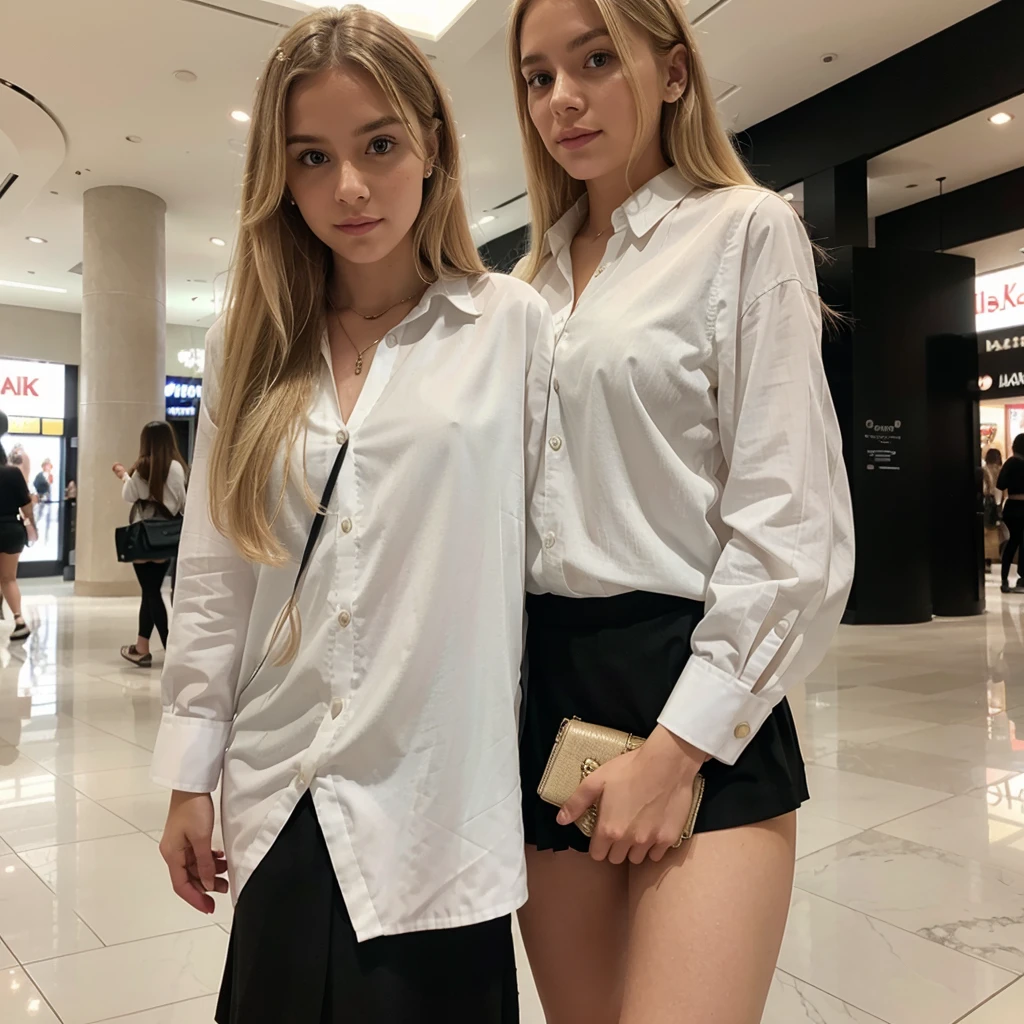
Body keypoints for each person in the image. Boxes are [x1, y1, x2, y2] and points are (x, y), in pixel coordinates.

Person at [150, 8, 550, 1023]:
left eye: (378, 145)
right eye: (313, 158)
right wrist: (189, 776)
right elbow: (213, 577)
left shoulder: (508, 325)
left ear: (431, 144)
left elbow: (549, 551)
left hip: (438, 801)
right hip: (282, 789)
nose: (351, 188)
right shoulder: (248, 342)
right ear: (280, 178)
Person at [507, 1, 855, 1022]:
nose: (562, 98)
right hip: (548, 688)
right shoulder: (523, 290)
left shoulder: (742, 229)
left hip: (694, 679)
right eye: (536, 77)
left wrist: (676, 749)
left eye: (594, 59)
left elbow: (790, 529)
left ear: (669, 72)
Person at [115, 420, 188, 666]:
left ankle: (169, 649)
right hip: (165, 538)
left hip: (142, 538)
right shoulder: (177, 468)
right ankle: (141, 648)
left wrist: (126, 476)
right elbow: (181, 504)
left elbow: (129, 496)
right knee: (151, 591)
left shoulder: (141, 468)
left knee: (150, 592)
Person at [0, 440, 37, 641]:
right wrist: (32, 526)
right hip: (11, 529)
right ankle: (19, 620)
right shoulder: (13, 473)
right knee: (8, 578)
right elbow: (26, 505)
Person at [997, 434, 1024, 594]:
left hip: (1012, 507)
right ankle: (1022, 578)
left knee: (1012, 543)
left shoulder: (1010, 463)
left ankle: (1004, 579)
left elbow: (1000, 485)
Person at [983, 447, 1004, 573]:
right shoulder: (1001, 470)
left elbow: (985, 488)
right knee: (997, 532)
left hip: (988, 503)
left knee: (986, 532)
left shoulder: (985, 470)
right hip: (999, 502)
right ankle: (998, 557)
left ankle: (987, 561)